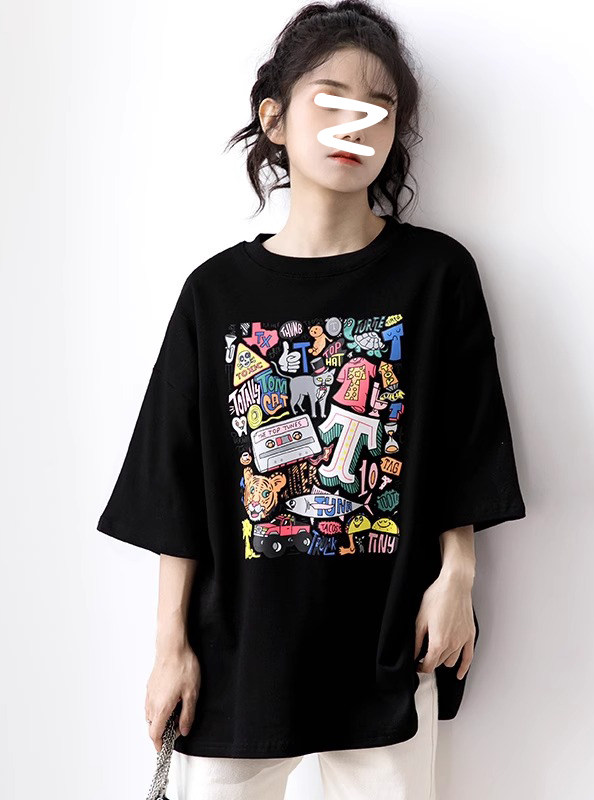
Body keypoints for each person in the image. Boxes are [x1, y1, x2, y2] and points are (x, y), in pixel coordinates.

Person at [96, 1, 527, 797]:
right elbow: (173, 482)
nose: (356, 124)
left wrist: (458, 577)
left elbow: (466, 442)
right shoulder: (215, 294)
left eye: (380, 106)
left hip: (389, 647)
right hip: (238, 653)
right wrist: (169, 648)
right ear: (276, 119)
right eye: (331, 100)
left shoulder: (435, 277)